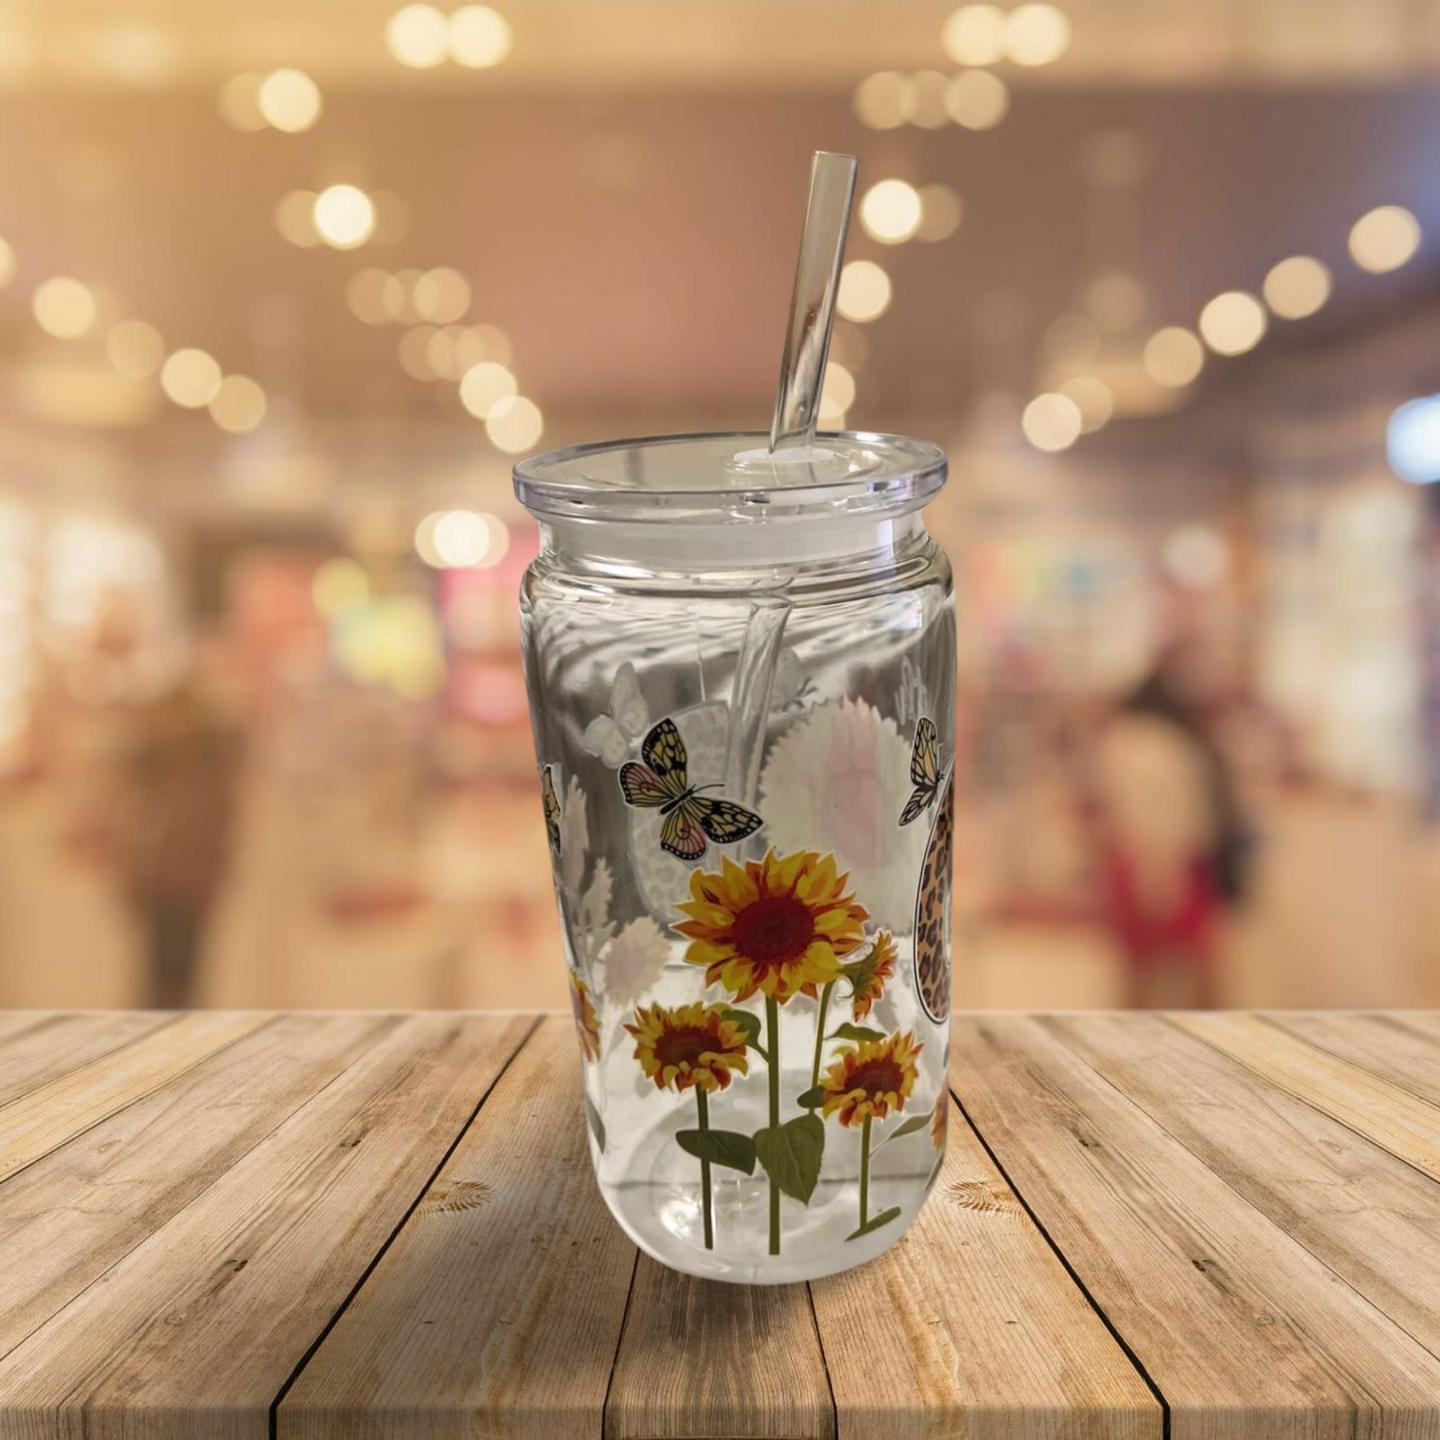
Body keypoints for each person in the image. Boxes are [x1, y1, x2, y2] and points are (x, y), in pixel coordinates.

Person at [1091, 661, 1250, 1008]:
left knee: (1139, 968)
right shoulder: (1175, 744)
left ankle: (1123, 1048)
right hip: (1179, 859)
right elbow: (1188, 813)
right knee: (1199, 964)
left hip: (1134, 859)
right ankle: (1217, 1043)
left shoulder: (1117, 742)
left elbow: (1113, 810)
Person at [115, 681, 240, 1008]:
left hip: (185, 885)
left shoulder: (206, 772)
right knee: (158, 974)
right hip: (163, 884)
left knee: (180, 977)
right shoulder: (155, 767)